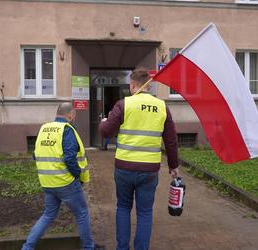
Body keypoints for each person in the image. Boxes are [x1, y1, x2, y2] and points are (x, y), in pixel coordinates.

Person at [99, 68, 179, 250]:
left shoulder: (123, 104)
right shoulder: (162, 106)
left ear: (132, 85)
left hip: (124, 168)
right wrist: (174, 166)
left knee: (123, 208)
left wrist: (104, 122)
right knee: (144, 213)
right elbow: (171, 140)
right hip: (149, 171)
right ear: (149, 86)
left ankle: (122, 247)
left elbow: (105, 132)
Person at [22, 102, 102, 250]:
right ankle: (88, 248)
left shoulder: (44, 129)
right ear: (70, 115)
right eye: (74, 116)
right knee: (82, 214)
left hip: (47, 182)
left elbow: (35, 155)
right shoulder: (67, 130)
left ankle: (27, 247)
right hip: (66, 183)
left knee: (48, 215)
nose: (74, 119)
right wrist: (78, 176)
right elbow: (70, 158)